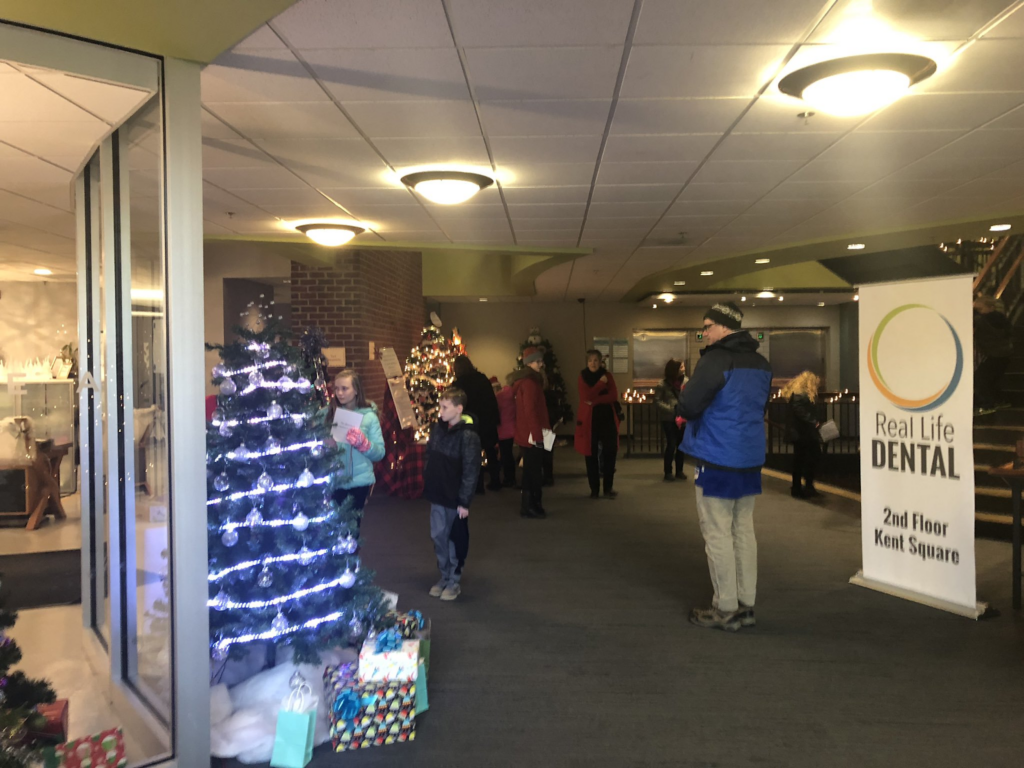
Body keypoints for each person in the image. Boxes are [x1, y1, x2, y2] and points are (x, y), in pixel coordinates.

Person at [678, 302, 772, 632]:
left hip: (717, 457)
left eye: (707, 326)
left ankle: (725, 607)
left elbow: (689, 405)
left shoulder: (715, 359)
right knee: (743, 529)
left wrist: (683, 393)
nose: (703, 332)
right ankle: (746, 604)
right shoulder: (761, 363)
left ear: (724, 327)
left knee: (717, 532)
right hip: (749, 458)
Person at [422, 387, 481, 601]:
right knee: (438, 535)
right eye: (440, 406)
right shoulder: (438, 429)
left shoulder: (468, 436)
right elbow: (430, 454)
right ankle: (444, 575)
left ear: (459, 409)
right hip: (437, 493)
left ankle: (454, 579)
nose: (440, 412)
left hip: (455, 499)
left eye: (444, 407)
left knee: (454, 538)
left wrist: (465, 502)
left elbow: (471, 470)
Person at [325, 370, 385, 528]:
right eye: (336, 389)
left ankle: (351, 553)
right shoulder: (328, 414)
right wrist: (324, 444)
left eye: (344, 388)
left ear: (356, 390)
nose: (339, 393)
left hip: (359, 480)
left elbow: (380, 453)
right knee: (334, 525)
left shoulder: (369, 416)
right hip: (334, 480)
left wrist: (364, 444)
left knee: (352, 526)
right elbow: (311, 437)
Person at [510, 346, 550, 519]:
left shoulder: (529, 382)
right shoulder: (530, 383)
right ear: (529, 363)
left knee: (532, 470)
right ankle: (529, 506)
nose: (541, 364)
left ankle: (533, 504)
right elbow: (531, 411)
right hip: (533, 434)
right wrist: (538, 436)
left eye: (541, 360)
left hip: (531, 433)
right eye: (538, 361)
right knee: (532, 472)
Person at [574, 350, 620, 499]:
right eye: (590, 360)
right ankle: (594, 489)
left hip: (607, 420)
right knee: (591, 454)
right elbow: (585, 396)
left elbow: (613, 396)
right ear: (587, 362)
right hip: (590, 421)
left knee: (610, 453)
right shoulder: (583, 377)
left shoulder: (608, 376)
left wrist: (595, 401)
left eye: (595, 360)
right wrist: (601, 385)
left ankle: (608, 488)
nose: (593, 363)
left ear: (600, 362)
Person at [452, 355, 502, 492]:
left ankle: (478, 486)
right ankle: (495, 481)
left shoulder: (459, 385)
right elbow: (491, 400)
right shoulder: (482, 378)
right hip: (487, 421)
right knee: (491, 452)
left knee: (474, 455)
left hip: (471, 423)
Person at [781, 371, 821, 499]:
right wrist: (813, 421)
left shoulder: (796, 394)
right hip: (802, 433)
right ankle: (802, 487)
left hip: (800, 433)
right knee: (807, 459)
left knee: (800, 460)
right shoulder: (800, 395)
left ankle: (800, 487)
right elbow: (801, 411)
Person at [974, 295, 1012, 415]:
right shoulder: (1002, 319)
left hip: (994, 354)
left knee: (981, 379)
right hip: (1004, 354)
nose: (977, 312)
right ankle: (1000, 401)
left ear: (990, 307)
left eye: (979, 309)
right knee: (992, 380)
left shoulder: (983, 320)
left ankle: (987, 405)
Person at [653, 359, 687, 482]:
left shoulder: (686, 382)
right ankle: (668, 471)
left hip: (682, 418)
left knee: (681, 446)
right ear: (675, 369)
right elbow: (657, 401)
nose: (684, 368)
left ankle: (679, 470)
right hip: (668, 419)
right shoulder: (662, 384)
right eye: (681, 366)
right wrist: (672, 410)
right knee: (671, 444)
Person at [494, 375, 517, 487]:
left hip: (503, 430)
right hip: (512, 428)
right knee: (508, 454)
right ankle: (510, 477)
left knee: (505, 455)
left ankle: (509, 478)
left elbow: (496, 414)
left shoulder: (499, 398)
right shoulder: (512, 395)